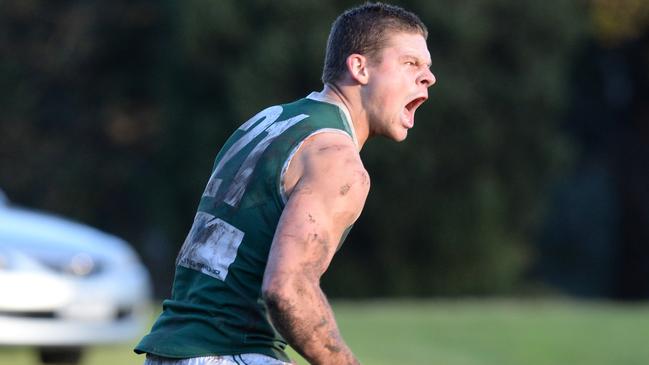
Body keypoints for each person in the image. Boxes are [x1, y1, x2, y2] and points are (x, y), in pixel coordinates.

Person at [135, 2, 435, 364]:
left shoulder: (270, 120)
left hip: (173, 349)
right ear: (360, 68)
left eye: (427, 67)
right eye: (410, 64)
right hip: (228, 351)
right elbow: (288, 290)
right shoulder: (337, 159)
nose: (428, 77)